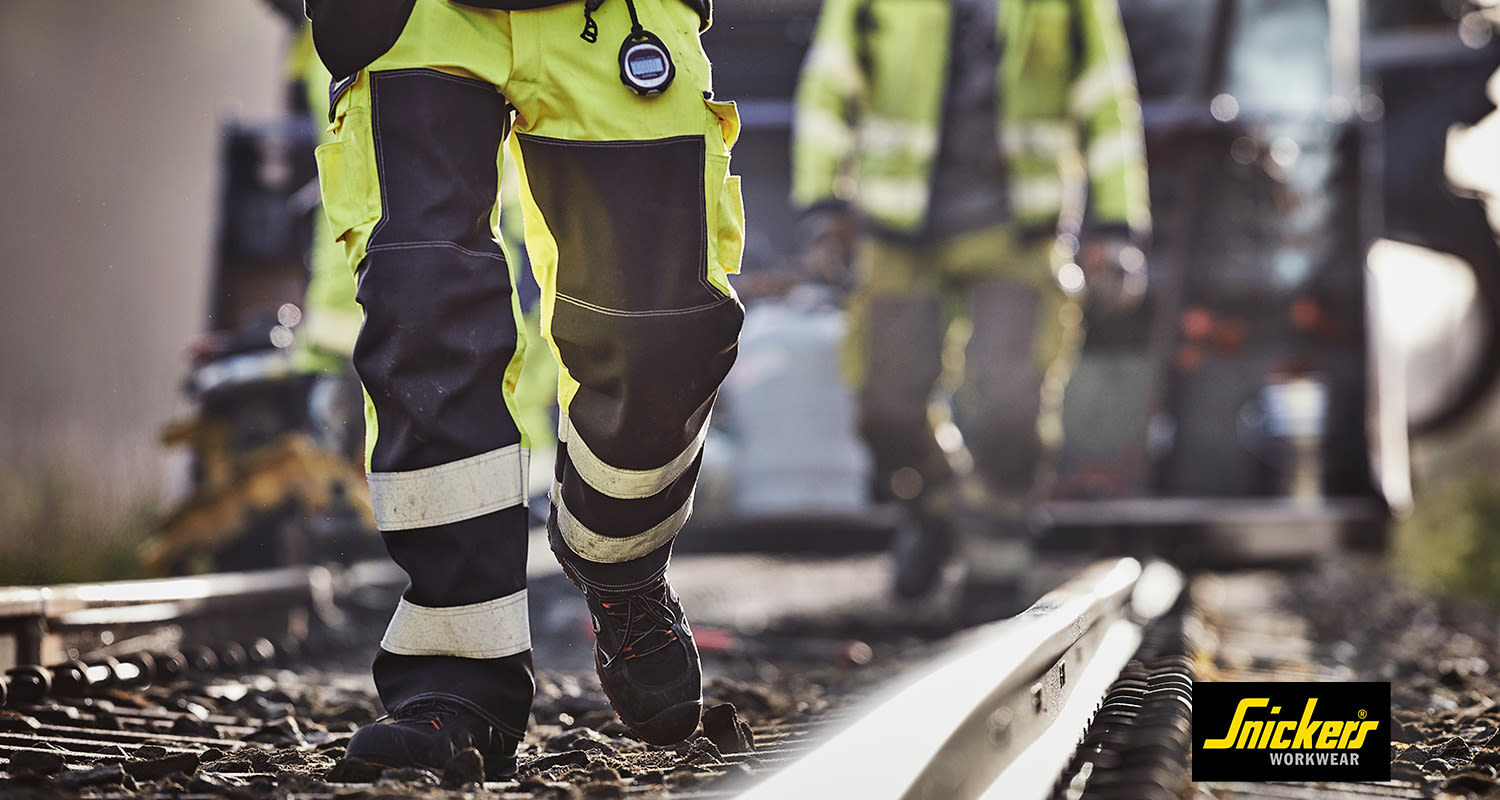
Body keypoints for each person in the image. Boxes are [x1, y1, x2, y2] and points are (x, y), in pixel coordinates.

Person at [304, 0, 745, 779]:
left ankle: (621, 564)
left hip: (618, 13)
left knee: (665, 330)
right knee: (423, 320)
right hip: (414, 18)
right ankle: (456, 674)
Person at [792, 0, 1150, 611]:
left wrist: (1116, 225)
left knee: (1015, 408)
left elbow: (1107, 99)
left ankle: (995, 562)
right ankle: (935, 510)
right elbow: (829, 87)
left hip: (1017, 229)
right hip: (898, 229)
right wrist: (822, 204)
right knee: (886, 409)